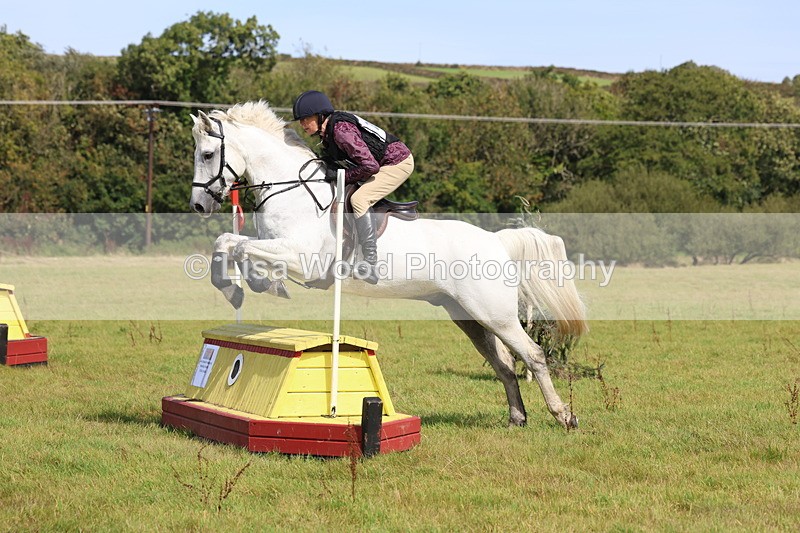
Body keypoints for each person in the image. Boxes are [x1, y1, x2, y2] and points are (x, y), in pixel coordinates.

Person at [292, 90, 414, 284]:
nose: (302, 124)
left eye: (306, 119)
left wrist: (342, 175)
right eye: (300, 120)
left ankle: (370, 264)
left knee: (359, 199)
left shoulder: (341, 131)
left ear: (320, 115)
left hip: (397, 162)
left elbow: (370, 167)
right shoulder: (329, 132)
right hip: (380, 162)